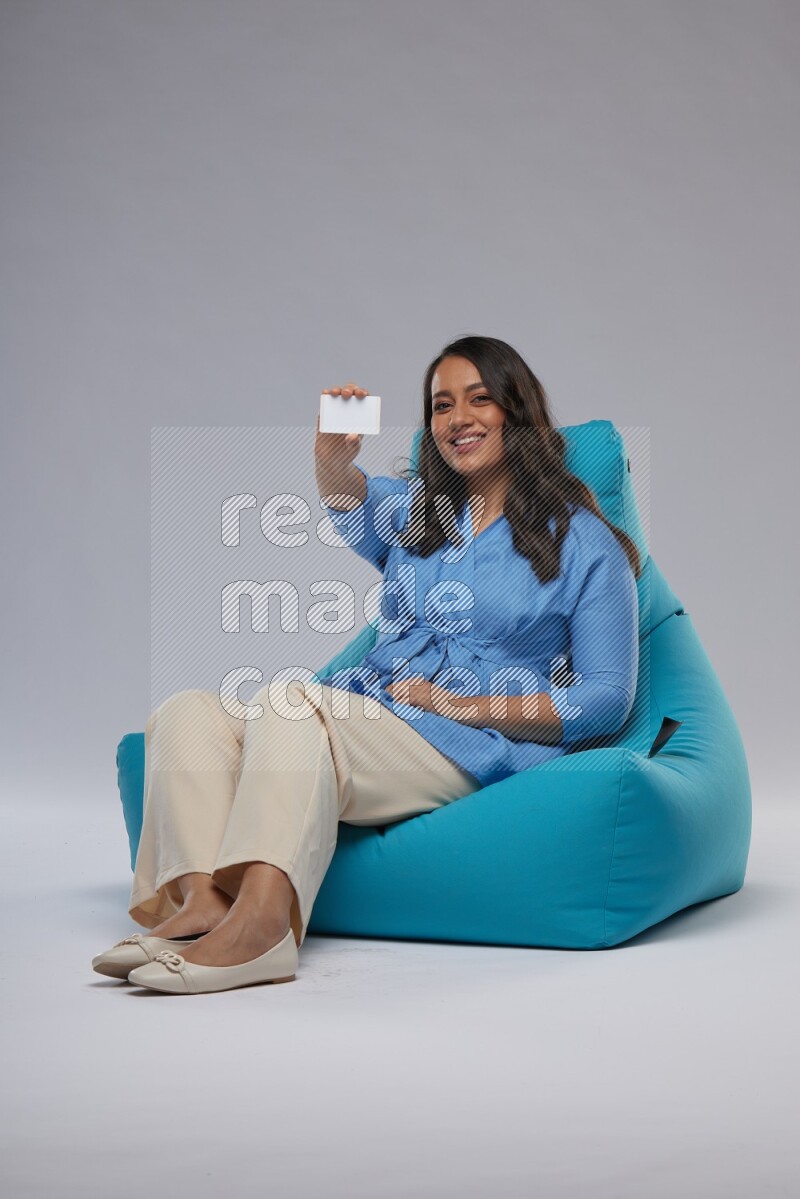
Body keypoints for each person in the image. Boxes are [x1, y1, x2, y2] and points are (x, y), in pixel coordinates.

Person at [92, 335, 642, 994]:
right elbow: (349, 497)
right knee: (186, 714)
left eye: (479, 399)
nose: (457, 419)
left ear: (517, 411)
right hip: (370, 715)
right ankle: (200, 905)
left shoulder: (582, 541)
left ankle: (261, 931)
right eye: (441, 405)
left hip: (466, 740)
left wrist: (458, 704)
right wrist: (329, 458)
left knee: (291, 703)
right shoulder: (421, 515)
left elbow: (608, 697)